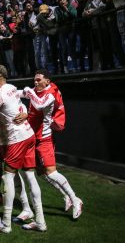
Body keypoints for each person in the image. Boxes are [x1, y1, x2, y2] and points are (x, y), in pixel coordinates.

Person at [0, 65, 46, 233]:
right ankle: (40, 221)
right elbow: (20, 103)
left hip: (15, 139)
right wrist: (24, 113)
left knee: (8, 176)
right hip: (28, 134)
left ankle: (6, 224)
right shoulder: (11, 87)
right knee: (30, 176)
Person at [20, 69, 83, 220]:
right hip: (32, 136)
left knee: (51, 172)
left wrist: (29, 92)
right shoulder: (37, 90)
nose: (35, 83)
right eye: (34, 80)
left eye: (38, 80)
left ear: (47, 81)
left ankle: (75, 200)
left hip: (44, 137)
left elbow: (39, 104)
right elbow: (23, 94)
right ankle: (66, 196)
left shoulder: (51, 93)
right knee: (41, 173)